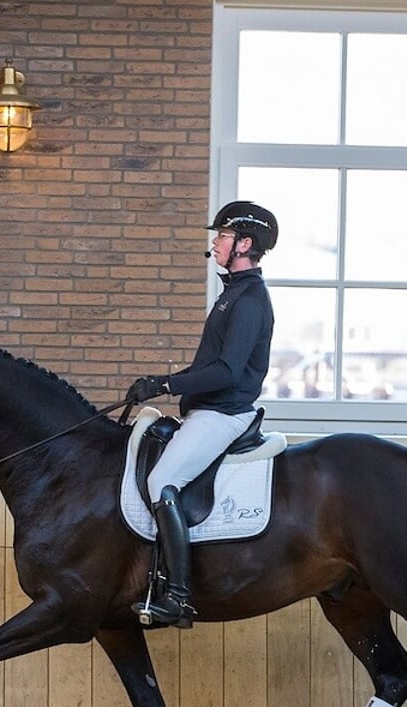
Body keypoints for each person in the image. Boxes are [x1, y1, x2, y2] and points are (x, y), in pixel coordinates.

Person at [126, 200, 278, 628]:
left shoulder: (249, 301)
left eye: (223, 236)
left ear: (244, 244)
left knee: (161, 481)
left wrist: (166, 384)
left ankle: (178, 597)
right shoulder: (234, 294)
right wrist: (162, 384)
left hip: (223, 414)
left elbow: (227, 371)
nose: (216, 241)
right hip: (206, 411)